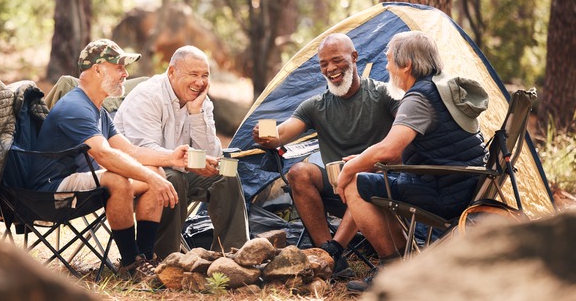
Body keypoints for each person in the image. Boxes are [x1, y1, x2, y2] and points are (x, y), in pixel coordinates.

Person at [336, 31, 489, 292]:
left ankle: (393, 274)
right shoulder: (442, 87)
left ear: (406, 64)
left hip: (444, 193)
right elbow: (411, 147)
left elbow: (389, 148)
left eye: (388, 60)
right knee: (371, 178)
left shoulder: (419, 97)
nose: (386, 66)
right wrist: (365, 159)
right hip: (462, 184)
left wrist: (349, 169)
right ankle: (410, 264)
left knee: (354, 184)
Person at [30, 39, 188, 279]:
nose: (126, 74)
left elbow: (131, 151)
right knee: (118, 180)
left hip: (81, 184)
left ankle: (144, 259)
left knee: (155, 171)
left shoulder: (99, 110)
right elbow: (104, 154)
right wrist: (148, 176)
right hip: (53, 191)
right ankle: (130, 263)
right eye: (119, 67)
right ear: (98, 69)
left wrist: (171, 158)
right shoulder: (75, 107)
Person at [253, 33, 399, 279]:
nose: (330, 69)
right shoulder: (315, 106)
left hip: (379, 189)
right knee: (298, 172)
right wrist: (266, 137)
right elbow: (282, 133)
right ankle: (326, 251)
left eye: (337, 60)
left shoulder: (383, 94)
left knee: (357, 175)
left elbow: (405, 138)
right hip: (336, 188)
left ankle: (335, 250)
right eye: (323, 64)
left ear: (354, 57)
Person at [114, 46, 249, 258]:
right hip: (140, 174)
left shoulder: (202, 102)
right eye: (193, 74)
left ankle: (233, 255)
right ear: (171, 72)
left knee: (225, 174)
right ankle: (166, 258)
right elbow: (143, 150)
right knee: (172, 178)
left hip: (179, 169)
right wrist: (187, 162)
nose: (200, 82)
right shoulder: (148, 97)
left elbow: (212, 152)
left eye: (205, 75)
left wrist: (196, 113)